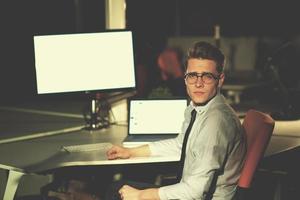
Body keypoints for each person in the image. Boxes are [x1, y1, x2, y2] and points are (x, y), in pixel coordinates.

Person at [106, 41, 247, 200]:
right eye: (193, 75)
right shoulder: (197, 108)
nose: (198, 83)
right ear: (185, 77)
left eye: (207, 76)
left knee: (115, 192)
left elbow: (195, 192)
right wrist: (131, 152)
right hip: (188, 189)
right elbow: (181, 145)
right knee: (116, 188)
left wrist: (140, 195)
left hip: (196, 196)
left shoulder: (216, 122)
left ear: (220, 80)